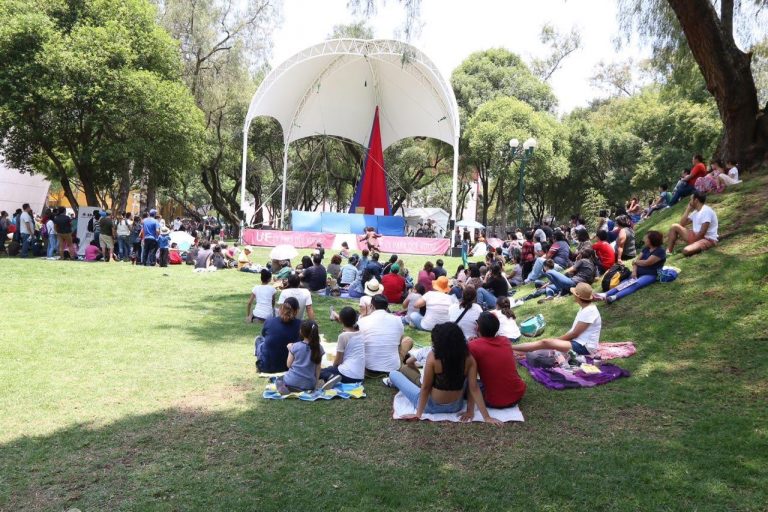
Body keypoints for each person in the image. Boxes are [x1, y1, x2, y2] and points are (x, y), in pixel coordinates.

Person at [390, 323, 501, 425]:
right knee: (469, 380)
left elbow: (425, 388)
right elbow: (474, 388)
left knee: (394, 374)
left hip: (430, 406)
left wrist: (418, 414)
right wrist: (480, 415)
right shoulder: (469, 358)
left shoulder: (433, 357)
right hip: (456, 406)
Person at [512, 282, 602, 357]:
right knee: (543, 347)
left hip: (584, 347)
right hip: (577, 343)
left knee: (545, 343)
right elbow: (573, 332)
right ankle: (510, 351)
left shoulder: (589, 311)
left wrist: (557, 340)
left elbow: (575, 334)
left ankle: (510, 348)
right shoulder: (585, 308)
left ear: (578, 296)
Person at [467, 312, 526, 411]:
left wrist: (473, 342)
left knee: (466, 383)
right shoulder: (505, 341)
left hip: (494, 401)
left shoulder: (472, 346)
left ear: (477, 327)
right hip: (518, 395)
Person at [599, 230, 666, 304]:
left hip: (651, 274)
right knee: (624, 282)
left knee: (636, 284)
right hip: (638, 272)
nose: (644, 239)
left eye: (646, 238)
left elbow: (647, 263)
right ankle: (606, 294)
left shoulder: (660, 251)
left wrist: (636, 262)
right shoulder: (646, 248)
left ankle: (614, 297)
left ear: (652, 240)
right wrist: (634, 271)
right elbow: (636, 262)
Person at [358, 294, 413, 375]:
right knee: (408, 340)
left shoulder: (363, 321)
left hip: (368, 367)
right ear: (387, 307)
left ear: (371, 306)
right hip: (392, 367)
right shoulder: (397, 320)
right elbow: (399, 343)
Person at [319, 307, 365, 384]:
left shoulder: (343, 336)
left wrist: (333, 368)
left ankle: (331, 377)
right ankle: (332, 376)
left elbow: (338, 361)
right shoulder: (360, 332)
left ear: (341, 320)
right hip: (359, 377)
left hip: (347, 375)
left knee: (320, 371)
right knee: (329, 369)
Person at [255, 298, 301, 373]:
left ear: (281, 308)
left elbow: (264, 334)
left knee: (259, 340)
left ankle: (260, 361)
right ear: (297, 311)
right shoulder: (301, 325)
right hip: (289, 367)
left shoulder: (269, 321)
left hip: (266, 367)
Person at [276, 320, 324, 392]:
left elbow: (288, 365)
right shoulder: (319, 348)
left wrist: (290, 349)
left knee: (279, 379)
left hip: (291, 381)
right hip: (309, 384)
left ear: (301, 332)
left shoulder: (295, 346)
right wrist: (315, 382)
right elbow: (318, 368)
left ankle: (285, 389)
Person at [667, 190, 718, 256]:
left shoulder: (706, 211)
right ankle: (668, 251)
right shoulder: (696, 212)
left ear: (696, 200)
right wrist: (688, 209)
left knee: (686, 251)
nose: (690, 202)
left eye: (691, 199)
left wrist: (693, 242)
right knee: (674, 226)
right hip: (695, 236)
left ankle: (696, 246)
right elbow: (682, 224)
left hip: (707, 239)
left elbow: (702, 233)